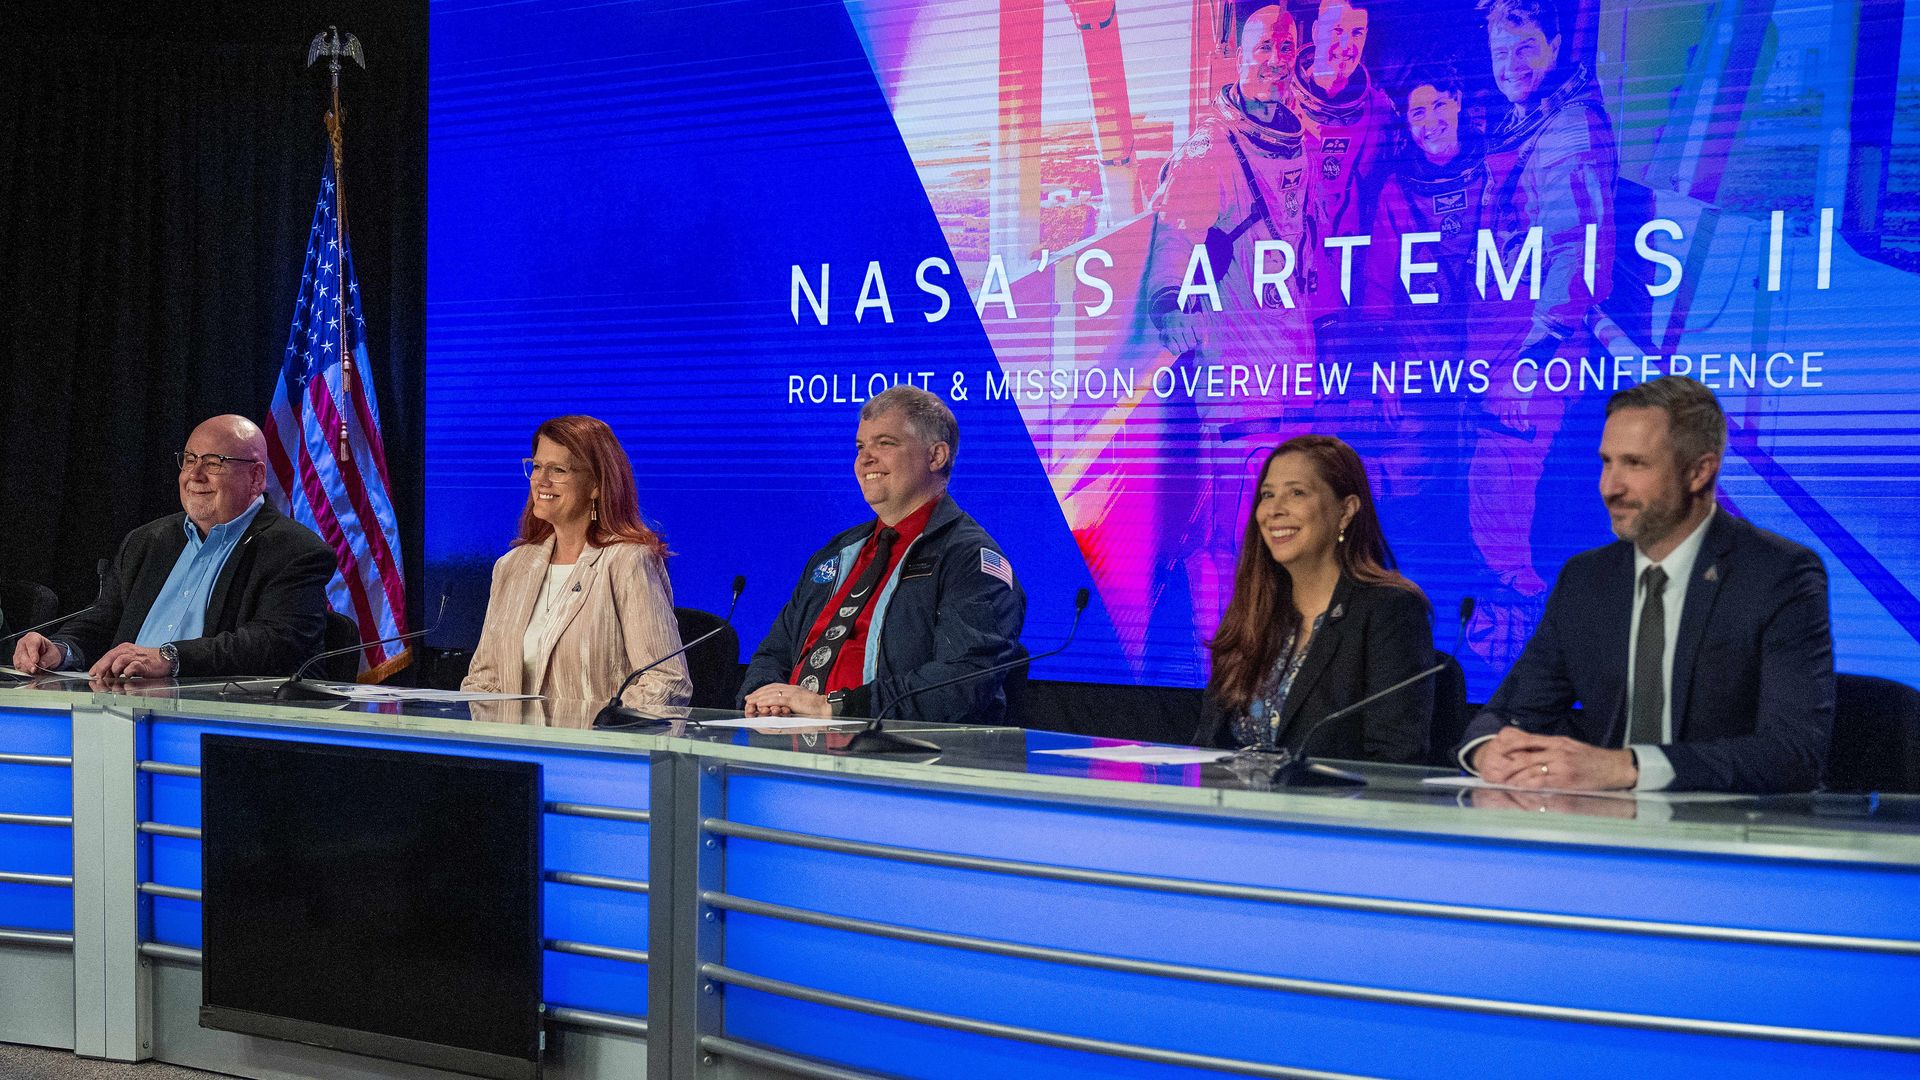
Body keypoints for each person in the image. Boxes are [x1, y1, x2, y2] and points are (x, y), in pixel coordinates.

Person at [1461, 377, 1835, 793]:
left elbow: (1793, 752)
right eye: (1607, 462)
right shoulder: (1586, 579)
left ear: (1699, 471)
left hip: (1729, 834)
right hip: (1600, 833)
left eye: (1635, 464)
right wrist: (1487, 751)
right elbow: (1511, 713)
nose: (1609, 487)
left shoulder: (1778, 575)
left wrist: (1628, 767)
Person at [1464, 0, 1618, 654]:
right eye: (1501, 53)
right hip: (1509, 345)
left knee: (1508, 505)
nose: (1512, 66)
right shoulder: (1535, 122)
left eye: (1525, 48)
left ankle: (1518, 656)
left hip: (1532, 353)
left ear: (1556, 44)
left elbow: (1574, 254)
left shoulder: (1568, 132)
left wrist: (1532, 356)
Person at [740, 386, 1025, 724]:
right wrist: (766, 695)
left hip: (899, 755)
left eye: (885, 443)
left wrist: (835, 708)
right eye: (861, 446)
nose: (865, 459)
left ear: (936, 457)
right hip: (789, 741)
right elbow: (773, 653)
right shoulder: (837, 553)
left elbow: (961, 681)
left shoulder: (970, 559)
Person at [11, 415, 334, 680]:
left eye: (214, 463)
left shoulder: (295, 550)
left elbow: (273, 642)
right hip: (119, 706)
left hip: (220, 717)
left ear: (256, 476)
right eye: (190, 459)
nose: (194, 475)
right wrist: (60, 649)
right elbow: (102, 622)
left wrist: (170, 658)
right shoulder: (148, 541)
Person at [1195, 435, 1433, 762]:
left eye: (1297, 493)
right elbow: (1206, 747)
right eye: (1267, 495)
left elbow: (1393, 763)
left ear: (1346, 511)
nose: (1274, 510)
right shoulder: (1253, 610)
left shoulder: (1390, 611)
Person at [463, 416, 692, 709]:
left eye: (558, 469)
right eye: (536, 466)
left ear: (596, 484)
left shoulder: (627, 562)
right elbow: (483, 680)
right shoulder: (511, 567)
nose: (541, 481)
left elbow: (666, 681)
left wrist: (596, 732)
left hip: (595, 750)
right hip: (517, 750)